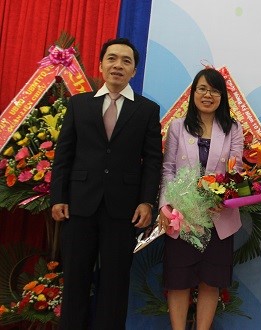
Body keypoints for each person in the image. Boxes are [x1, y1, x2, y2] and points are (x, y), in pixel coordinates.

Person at [50, 38, 162, 329]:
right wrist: (58, 197)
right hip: (78, 205)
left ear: (134, 70)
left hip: (123, 209)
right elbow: (64, 154)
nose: (118, 65)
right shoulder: (79, 105)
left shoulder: (147, 110)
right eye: (112, 59)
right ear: (101, 65)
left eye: (126, 61)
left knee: (114, 285)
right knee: (75, 280)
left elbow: (152, 161)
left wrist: (146, 201)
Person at [157, 67, 244, 330]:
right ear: (193, 93)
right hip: (182, 217)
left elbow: (236, 170)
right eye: (202, 89)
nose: (208, 95)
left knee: (211, 280)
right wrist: (165, 205)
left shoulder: (233, 129)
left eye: (214, 90)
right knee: (179, 280)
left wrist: (225, 196)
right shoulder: (178, 127)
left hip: (218, 216)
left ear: (222, 96)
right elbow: (168, 168)